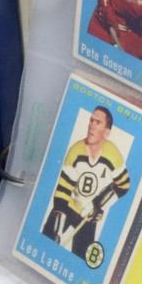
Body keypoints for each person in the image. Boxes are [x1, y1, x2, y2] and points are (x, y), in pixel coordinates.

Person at [42, 106, 130, 259]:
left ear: (107, 132)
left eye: (98, 122)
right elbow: (63, 192)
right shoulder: (76, 151)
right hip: (68, 207)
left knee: (81, 258)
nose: (92, 126)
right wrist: (57, 226)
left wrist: (97, 205)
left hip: (88, 216)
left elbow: (124, 185)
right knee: (46, 242)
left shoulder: (113, 154)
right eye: (91, 121)